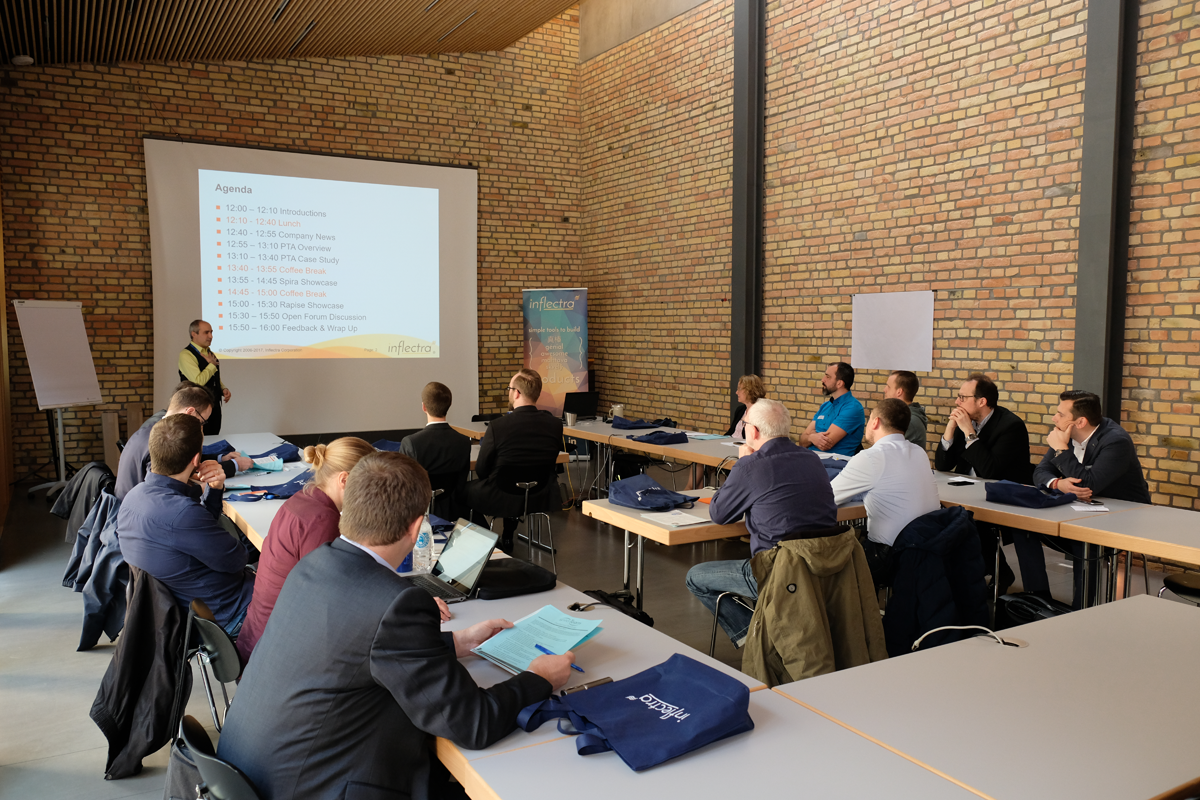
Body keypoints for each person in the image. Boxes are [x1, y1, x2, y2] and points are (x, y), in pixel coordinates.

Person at [216, 452, 573, 800]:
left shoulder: (313, 564)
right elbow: (471, 723)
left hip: (250, 777)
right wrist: (539, 678)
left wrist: (457, 643)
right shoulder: (397, 603)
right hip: (315, 786)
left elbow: (356, 649)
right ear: (417, 528)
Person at [685, 399, 837, 646]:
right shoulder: (812, 459)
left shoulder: (751, 465)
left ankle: (755, 638)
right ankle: (766, 632)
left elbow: (719, 514)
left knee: (695, 577)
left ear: (753, 431)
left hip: (777, 571)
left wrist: (740, 464)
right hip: (823, 566)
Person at [236, 436, 383, 663]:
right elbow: (328, 603)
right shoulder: (322, 520)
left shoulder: (304, 498)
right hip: (275, 650)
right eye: (369, 486)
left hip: (258, 634)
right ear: (344, 480)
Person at [117, 413, 254, 634]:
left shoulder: (133, 498)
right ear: (196, 459)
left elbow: (196, 530)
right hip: (228, 614)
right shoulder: (183, 514)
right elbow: (237, 560)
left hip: (184, 612)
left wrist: (215, 490)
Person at [1028, 390, 1151, 607]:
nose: (1054, 418)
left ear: (1080, 422)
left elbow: (1088, 485)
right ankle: (1038, 600)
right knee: (1024, 528)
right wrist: (1057, 483)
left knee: (1083, 539)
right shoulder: (1065, 435)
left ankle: (1082, 608)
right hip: (1082, 510)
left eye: (1060, 414)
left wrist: (1061, 450)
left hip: (1122, 519)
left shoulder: (1116, 441)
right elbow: (1040, 472)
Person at [934, 372, 1032, 593]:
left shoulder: (1010, 426)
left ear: (981, 401)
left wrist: (969, 433)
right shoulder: (965, 421)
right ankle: (964, 575)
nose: (957, 402)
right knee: (940, 513)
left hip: (1001, 493)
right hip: (967, 490)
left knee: (966, 520)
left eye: (962, 397)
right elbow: (942, 465)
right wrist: (950, 429)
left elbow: (990, 471)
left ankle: (983, 575)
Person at [830, 399, 941, 585]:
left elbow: (827, 498)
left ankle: (860, 604)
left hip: (890, 556)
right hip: (927, 551)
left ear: (875, 422)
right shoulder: (919, 452)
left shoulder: (870, 457)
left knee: (831, 558)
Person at [466, 368, 563, 552]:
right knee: (514, 482)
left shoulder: (498, 426)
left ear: (517, 393)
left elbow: (481, 469)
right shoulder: (555, 425)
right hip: (540, 494)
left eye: (509, 389)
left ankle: (488, 542)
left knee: (464, 491)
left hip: (502, 494)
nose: (509, 392)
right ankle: (507, 535)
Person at [114, 383, 251, 501]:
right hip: (138, 512)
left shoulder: (155, 429)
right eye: (202, 422)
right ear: (190, 412)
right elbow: (165, 493)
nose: (201, 428)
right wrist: (205, 489)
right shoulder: (162, 440)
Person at [399, 381, 472, 520]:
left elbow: (405, 486)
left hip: (420, 513)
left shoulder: (411, 443)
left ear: (424, 407)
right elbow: (461, 482)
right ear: (449, 405)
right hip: (454, 512)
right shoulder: (463, 442)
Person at [799, 361, 864, 457]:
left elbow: (825, 445)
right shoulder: (825, 406)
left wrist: (810, 436)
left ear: (839, 383)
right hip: (811, 457)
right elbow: (802, 441)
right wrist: (811, 437)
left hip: (834, 462)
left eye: (828, 377)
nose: (823, 380)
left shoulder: (853, 408)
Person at [178, 319, 230, 435]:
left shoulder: (209, 352)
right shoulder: (186, 354)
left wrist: (222, 388)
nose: (211, 336)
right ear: (194, 334)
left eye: (211, 332)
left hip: (214, 405)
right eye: (206, 332)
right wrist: (211, 365)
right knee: (199, 439)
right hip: (197, 408)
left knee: (214, 436)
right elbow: (198, 382)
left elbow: (214, 376)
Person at [885, 370, 928, 448]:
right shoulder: (902, 415)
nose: (884, 390)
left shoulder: (909, 421)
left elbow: (888, 449)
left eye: (888, 386)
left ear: (899, 392)